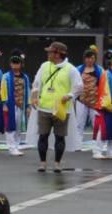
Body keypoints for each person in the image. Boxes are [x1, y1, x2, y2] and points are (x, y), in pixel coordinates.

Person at [29, 40, 83, 172]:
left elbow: (79, 87)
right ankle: (42, 163)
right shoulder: (44, 66)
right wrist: (35, 96)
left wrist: (69, 96)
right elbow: (36, 83)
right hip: (44, 107)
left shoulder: (71, 69)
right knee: (43, 136)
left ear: (58, 54)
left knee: (60, 137)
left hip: (61, 109)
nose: (48, 54)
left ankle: (57, 163)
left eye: (50, 52)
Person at [0, 50, 30, 156]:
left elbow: (27, 91)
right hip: (10, 105)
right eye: (13, 62)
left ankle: (16, 145)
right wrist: (4, 104)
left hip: (21, 105)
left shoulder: (25, 77)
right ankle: (11, 147)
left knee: (19, 127)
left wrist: (28, 106)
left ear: (21, 64)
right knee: (10, 126)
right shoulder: (6, 76)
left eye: (17, 62)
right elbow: (3, 90)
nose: (15, 65)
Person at [75, 45, 103, 145]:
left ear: (95, 58)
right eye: (87, 57)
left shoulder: (99, 70)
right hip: (81, 100)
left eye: (92, 58)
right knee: (79, 122)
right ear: (84, 58)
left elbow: (103, 85)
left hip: (95, 101)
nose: (90, 60)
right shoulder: (78, 69)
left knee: (97, 123)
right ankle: (77, 143)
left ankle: (98, 144)